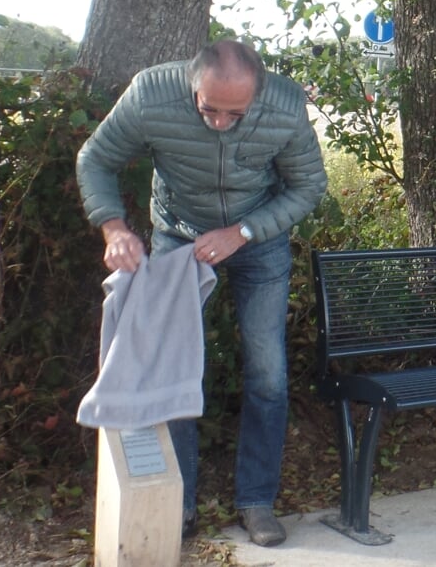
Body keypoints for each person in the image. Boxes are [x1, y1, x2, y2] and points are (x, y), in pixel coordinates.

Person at [77, 39, 328, 547]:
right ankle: (180, 502)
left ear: (256, 93)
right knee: (174, 365)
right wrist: (113, 228)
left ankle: (256, 501)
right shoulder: (151, 94)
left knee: (268, 373)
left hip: (258, 240)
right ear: (192, 84)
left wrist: (244, 232)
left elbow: (308, 186)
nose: (219, 122)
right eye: (208, 108)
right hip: (179, 236)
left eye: (234, 113)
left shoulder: (283, 105)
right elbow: (95, 159)